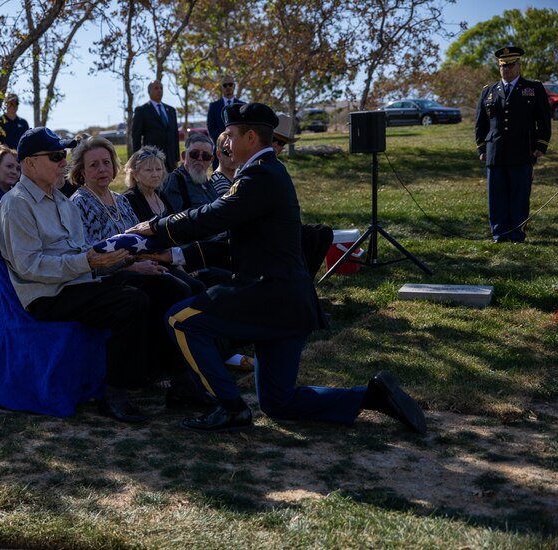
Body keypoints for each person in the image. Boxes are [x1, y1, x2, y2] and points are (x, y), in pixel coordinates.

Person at [127, 102, 427, 434]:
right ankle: (372, 397)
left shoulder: (260, 175)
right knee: (278, 402)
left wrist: (158, 227)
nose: (224, 144)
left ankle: (230, 407)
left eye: (229, 136)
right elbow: (233, 243)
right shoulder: (265, 173)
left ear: (251, 137)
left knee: (179, 320)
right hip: (287, 304)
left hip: (267, 296)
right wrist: (173, 257)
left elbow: (212, 217)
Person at [0, 127, 150, 423]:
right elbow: (31, 267)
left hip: (74, 284)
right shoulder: (17, 205)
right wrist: (88, 262)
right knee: (132, 301)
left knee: (160, 284)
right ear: (29, 163)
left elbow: (79, 252)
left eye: (62, 155)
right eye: (55, 156)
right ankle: (112, 393)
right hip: (47, 295)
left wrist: (109, 257)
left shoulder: (60, 200)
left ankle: (176, 379)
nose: (63, 162)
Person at [69, 137, 213, 400]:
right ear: (81, 171)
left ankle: (186, 373)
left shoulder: (119, 201)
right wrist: (133, 267)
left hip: (137, 268)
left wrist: (149, 261)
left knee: (187, 288)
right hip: (106, 277)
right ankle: (170, 374)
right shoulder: (80, 203)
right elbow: (89, 256)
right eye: (94, 165)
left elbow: (142, 240)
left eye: (106, 163)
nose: (102, 169)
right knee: (173, 290)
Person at [476, 46, 551, 244]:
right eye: (503, 66)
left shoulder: (533, 89)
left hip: (522, 151)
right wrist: (482, 148)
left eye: (510, 65)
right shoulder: (488, 92)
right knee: (496, 196)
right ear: (499, 67)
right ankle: (499, 234)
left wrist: (541, 146)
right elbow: (480, 123)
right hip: (495, 152)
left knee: (519, 195)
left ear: (518, 65)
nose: (507, 69)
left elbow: (544, 120)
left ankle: (517, 234)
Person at [160, 133, 218, 211]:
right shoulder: (175, 181)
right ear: (184, 156)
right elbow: (175, 219)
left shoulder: (208, 182)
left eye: (206, 156)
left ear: (211, 160)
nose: (200, 159)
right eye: (194, 154)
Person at [131, 80, 180, 171]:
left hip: (170, 160)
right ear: (149, 91)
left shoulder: (171, 110)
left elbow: (175, 135)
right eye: (156, 88)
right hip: (152, 159)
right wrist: (137, 159)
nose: (159, 90)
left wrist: (176, 158)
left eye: (161, 88)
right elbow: (136, 136)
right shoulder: (142, 110)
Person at [206, 75, 243, 169]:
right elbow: (211, 128)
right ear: (221, 87)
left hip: (239, 152)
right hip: (220, 154)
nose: (228, 87)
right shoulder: (214, 106)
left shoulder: (243, 106)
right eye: (225, 85)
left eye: (230, 85)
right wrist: (224, 143)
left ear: (234, 86)